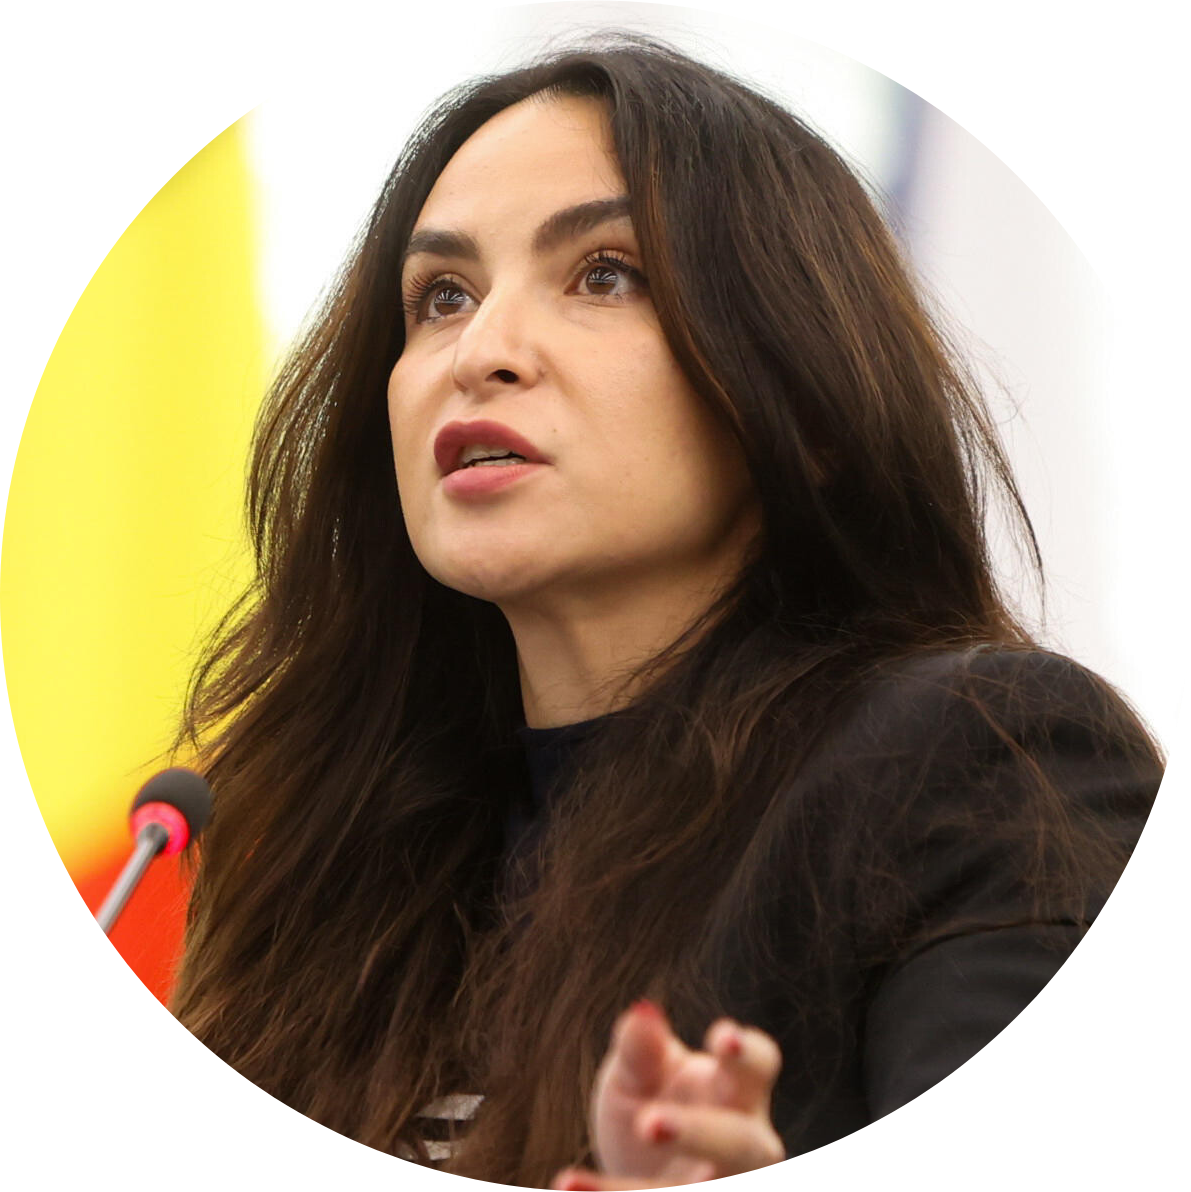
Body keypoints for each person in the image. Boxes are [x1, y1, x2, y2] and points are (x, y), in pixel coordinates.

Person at [167, 33, 1164, 1189]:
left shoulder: (989, 760)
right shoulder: (306, 852)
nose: (480, 352)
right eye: (441, 296)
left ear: (809, 402)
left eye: (604, 274)